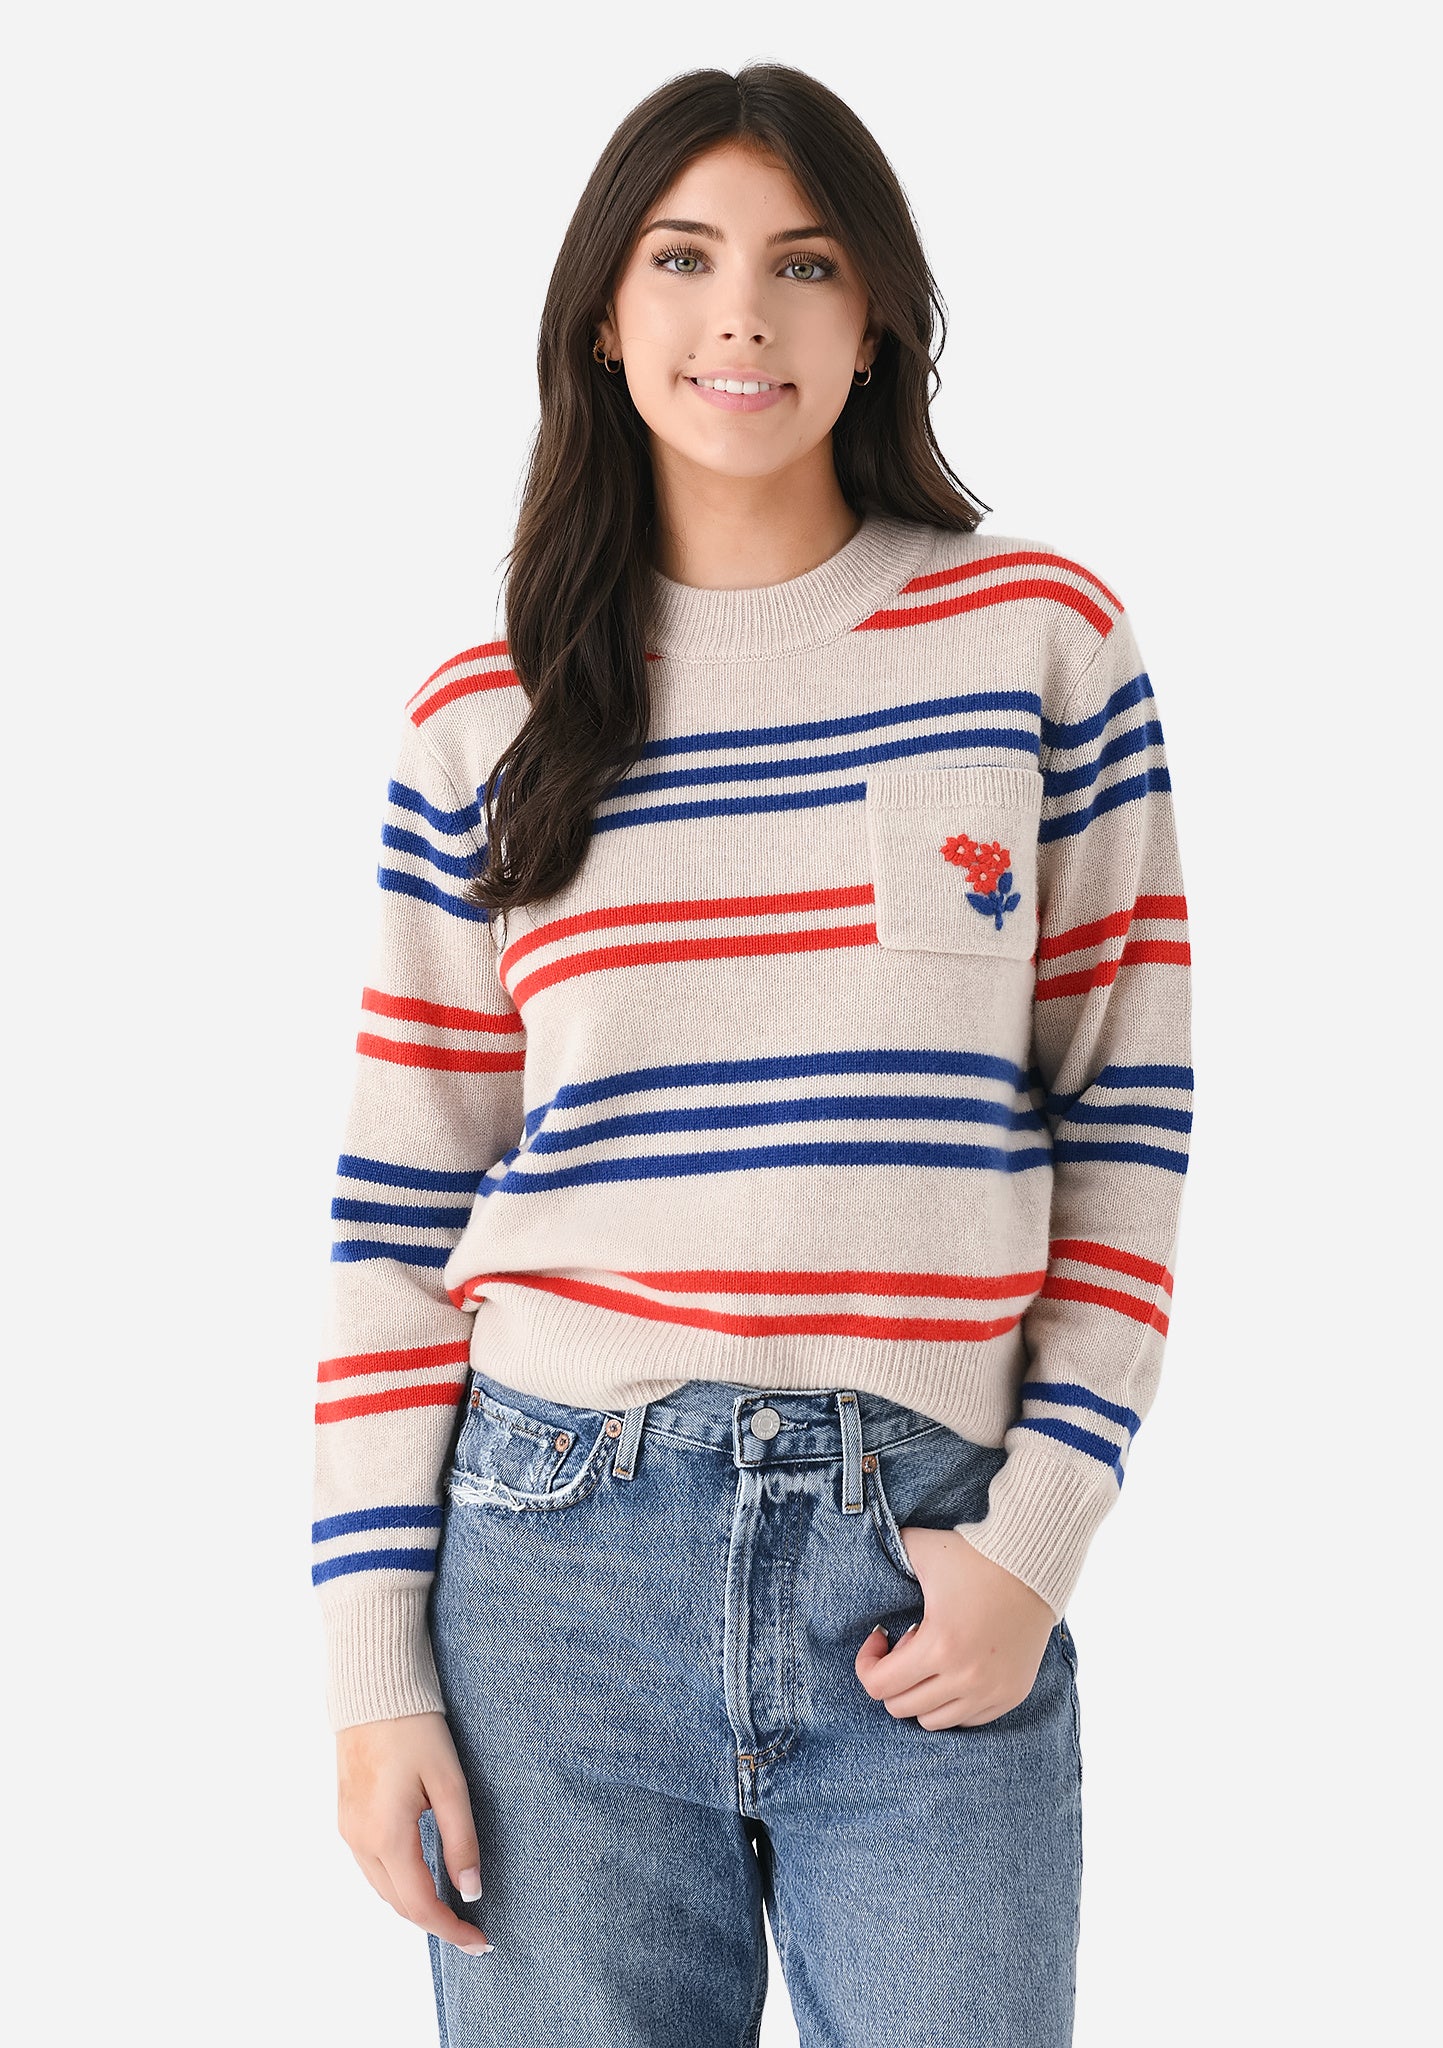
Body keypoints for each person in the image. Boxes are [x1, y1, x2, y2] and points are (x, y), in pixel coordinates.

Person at [310, 61, 1191, 2048]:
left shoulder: (1037, 641)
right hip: (549, 1577)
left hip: (927, 1564)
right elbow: (398, 1207)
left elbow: (1126, 1119)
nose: (742, 318)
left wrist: (1037, 1537)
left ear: (874, 320)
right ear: (602, 321)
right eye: (682, 259)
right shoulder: (486, 715)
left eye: (803, 264)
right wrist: (373, 1667)